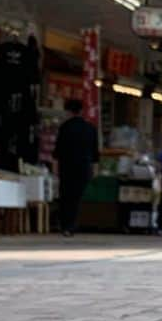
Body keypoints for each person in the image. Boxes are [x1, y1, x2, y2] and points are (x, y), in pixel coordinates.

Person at [53, 98, 98, 237]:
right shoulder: (91, 128)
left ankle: (64, 225)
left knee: (65, 196)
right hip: (84, 167)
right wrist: (94, 169)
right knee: (76, 197)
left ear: (68, 111)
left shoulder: (64, 127)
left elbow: (58, 151)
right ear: (81, 111)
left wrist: (55, 169)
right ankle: (71, 225)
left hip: (66, 167)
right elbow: (95, 152)